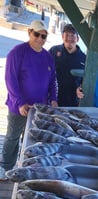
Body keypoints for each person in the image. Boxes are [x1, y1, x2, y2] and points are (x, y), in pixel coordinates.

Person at [0, 20, 58, 181]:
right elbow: (10, 80)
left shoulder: (48, 57)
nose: (40, 38)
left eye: (44, 36)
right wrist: (19, 102)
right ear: (29, 32)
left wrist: (53, 99)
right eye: (37, 34)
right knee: (12, 137)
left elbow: (53, 81)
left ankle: (27, 168)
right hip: (18, 107)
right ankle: (6, 167)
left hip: (39, 109)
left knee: (33, 140)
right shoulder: (17, 52)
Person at [49, 24, 86, 107]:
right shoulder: (53, 51)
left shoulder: (84, 59)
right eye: (67, 35)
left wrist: (80, 89)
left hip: (73, 103)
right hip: (52, 100)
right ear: (62, 36)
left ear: (78, 38)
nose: (69, 38)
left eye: (72, 36)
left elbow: (85, 83)